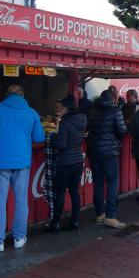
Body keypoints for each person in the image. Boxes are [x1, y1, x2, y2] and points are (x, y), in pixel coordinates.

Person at [0, 85, 45, 252]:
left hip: (0, 161)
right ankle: (19, 237)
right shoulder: (31, 112)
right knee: (21, 200)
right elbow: (39, 137)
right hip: (22, 162)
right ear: (22, 96)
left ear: (6, 95)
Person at [87, 90, 128, 228]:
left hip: (93, 150)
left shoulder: (92, 110)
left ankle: (99, 214)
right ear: (113, 99)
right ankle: (111, 216)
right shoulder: (115, 111)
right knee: (112, 183)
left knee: (98, 183)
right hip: (109, 152)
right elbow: (122, 130)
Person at [45, 96, 87, 232]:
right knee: (75, 191)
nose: (59, 110)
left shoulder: (65, 123)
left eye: (60, 108)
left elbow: (61, 145)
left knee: (60, 192)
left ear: (67, 108)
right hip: (78, 160)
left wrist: (53, 138)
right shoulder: (82, 119)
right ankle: (74, 222)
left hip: (65, 162)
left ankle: (55, 223)